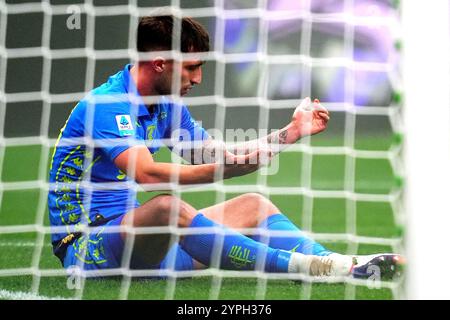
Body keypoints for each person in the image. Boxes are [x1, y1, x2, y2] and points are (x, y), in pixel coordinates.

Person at [48, 15, 403, 280]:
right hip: (88, 248)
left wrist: (289, 134)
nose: (199, 79)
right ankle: (308, 268)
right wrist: (225, 169)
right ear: (159, 63)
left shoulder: (167, 105)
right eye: (192, 67)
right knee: (166, 209)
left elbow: (218, 156)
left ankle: (344, 265)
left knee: (252, 204)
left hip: (138, 248)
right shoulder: (108, 104)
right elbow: (148, 174)